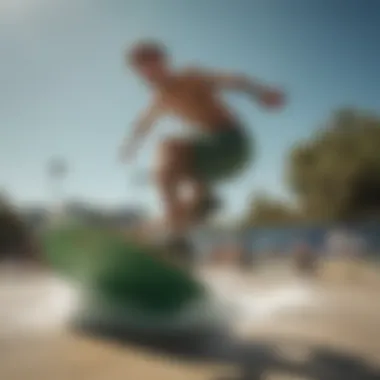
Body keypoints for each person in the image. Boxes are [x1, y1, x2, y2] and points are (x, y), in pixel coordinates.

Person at [120, 40, 285, 245]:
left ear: (164, 62)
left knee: (168, 148)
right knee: (170, 192)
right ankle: (180, 234)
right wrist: (129, 146)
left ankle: (191, 212)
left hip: (230, 143)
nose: (147, 74)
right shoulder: (160, 100)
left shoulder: (191, 77)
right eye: (141, 69)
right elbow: (143, 124)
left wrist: (261, 93)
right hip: (213, 159)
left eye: (151, 65)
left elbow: (233, 79)